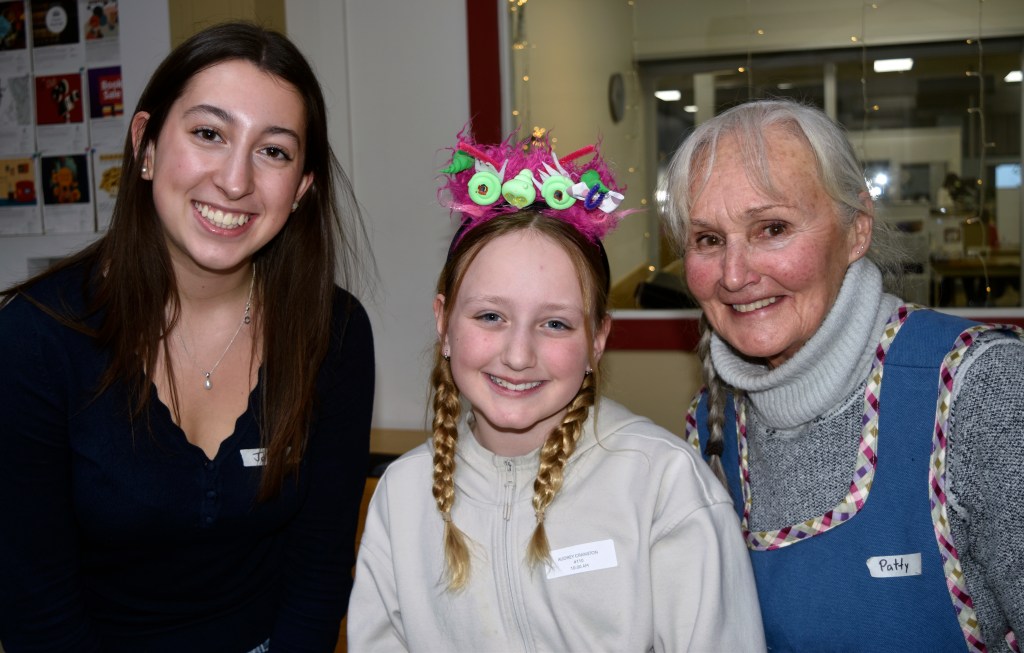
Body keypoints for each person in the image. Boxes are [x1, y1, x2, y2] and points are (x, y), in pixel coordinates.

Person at [0, 22, 374, 653]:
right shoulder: (35, 338)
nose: (235, 180)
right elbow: (34, 608)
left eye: (273, 151)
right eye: (208, 134)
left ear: (302, 189)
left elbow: (319, 569)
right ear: (144, 145)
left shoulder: (332, 332)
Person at [347, 133, 765, 651]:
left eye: (555, 324)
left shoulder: (663, 486)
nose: (518, 355)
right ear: (444, 321)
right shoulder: (403, 495)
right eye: (490, 316)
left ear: (598, 340)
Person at [661, 99, 1024, 652]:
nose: (733, 276)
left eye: (772, 228)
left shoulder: (980, 388)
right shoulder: (709, 426)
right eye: (709, 239)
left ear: (857, 230)